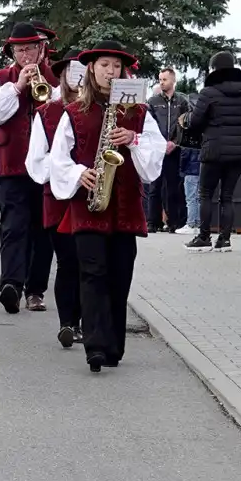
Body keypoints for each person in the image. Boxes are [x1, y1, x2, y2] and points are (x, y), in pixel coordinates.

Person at [48, 40, 165, 372]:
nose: (111, 72)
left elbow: (154, 158)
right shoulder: (74, 113)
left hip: (125, 205)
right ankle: (96, 346)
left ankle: (113, 344)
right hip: (88, 205)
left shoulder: (139, 112)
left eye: (116, 66)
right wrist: (78, 173)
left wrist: (134, 139)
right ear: (92, 70)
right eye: (105, 66)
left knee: (119, 275)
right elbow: (58, 160)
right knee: (92, 272)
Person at [0, 21, 59, 314]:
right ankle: (10, 285)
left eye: (30, 48)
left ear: (41, 49)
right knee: (13, 227)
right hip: (11, 166)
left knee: (43, 231)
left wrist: (46, 83)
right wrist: (19, 86)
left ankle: (35, 290)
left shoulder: (56, 78)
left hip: (47, 167)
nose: (24, 55)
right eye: (19, 49)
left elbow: (64, 109)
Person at [26, 49, 85, 348]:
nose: (77, 78)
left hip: (91, 197)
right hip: (59, 199)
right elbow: (35, 163)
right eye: (72, 72)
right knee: (67, 261)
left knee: (90, 261)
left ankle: (86, 320)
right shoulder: (46, 112)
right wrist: (68, 171)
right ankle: (68, 323)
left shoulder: (101, 108)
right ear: (62, 75)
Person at [179, 51, 241, 251]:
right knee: (227, 196)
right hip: (238, 150)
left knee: (205, 194)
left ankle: (203, 237)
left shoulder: (208, 93)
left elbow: (195, 122)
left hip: (213, 149)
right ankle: (225, 239)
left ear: (215, 69)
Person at [146, 68, 189, 232]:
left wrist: (174, 143)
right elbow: (149, 125)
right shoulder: (153, 101)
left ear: (173, 80)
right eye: (160, 79)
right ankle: (152, 222)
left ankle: (173, 222)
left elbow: (185, 125)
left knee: (173, 186)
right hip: (157, 150)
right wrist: (158, 144)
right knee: (154, 186)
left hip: (174, 149)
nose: (161, 82)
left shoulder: (182, 101)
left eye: (164, 79)